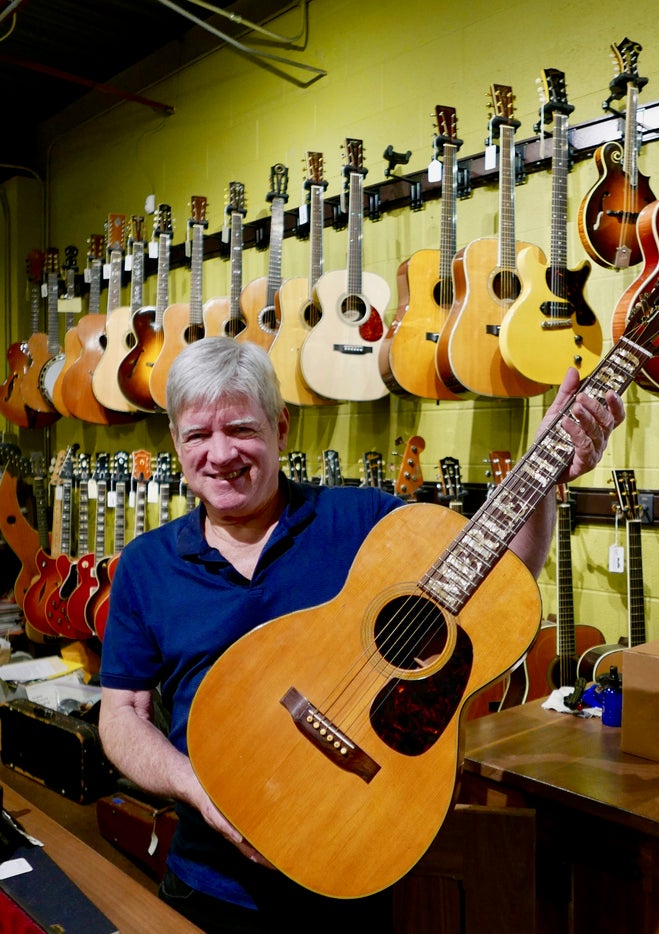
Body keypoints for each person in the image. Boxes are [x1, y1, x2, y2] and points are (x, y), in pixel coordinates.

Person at [99, 336, 624, 933]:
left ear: (281, 427)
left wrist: (545, 473)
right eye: (198, 436)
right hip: (207, 882)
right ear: (175, 442)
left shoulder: (366, 522)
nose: (220, 454)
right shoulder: (146, 564)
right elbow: (121, 715)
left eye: (241, 429)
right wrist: (200, 787)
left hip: (354, 870)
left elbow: (501, 579)